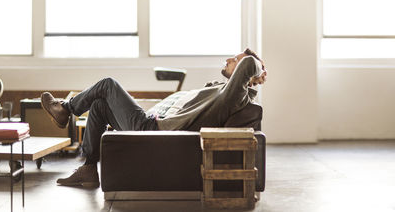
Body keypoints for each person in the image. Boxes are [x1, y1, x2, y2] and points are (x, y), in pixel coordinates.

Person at [41, 48, 267, 187]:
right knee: (99, 105)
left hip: (156, 130)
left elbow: (250, 64)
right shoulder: (222, 90)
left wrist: (257, 66)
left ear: (246, 72)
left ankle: (66, 109)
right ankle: (89, 169)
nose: (228, 59)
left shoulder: (235, 96)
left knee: (108, 84)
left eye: (235, 59)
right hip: (153, 122)